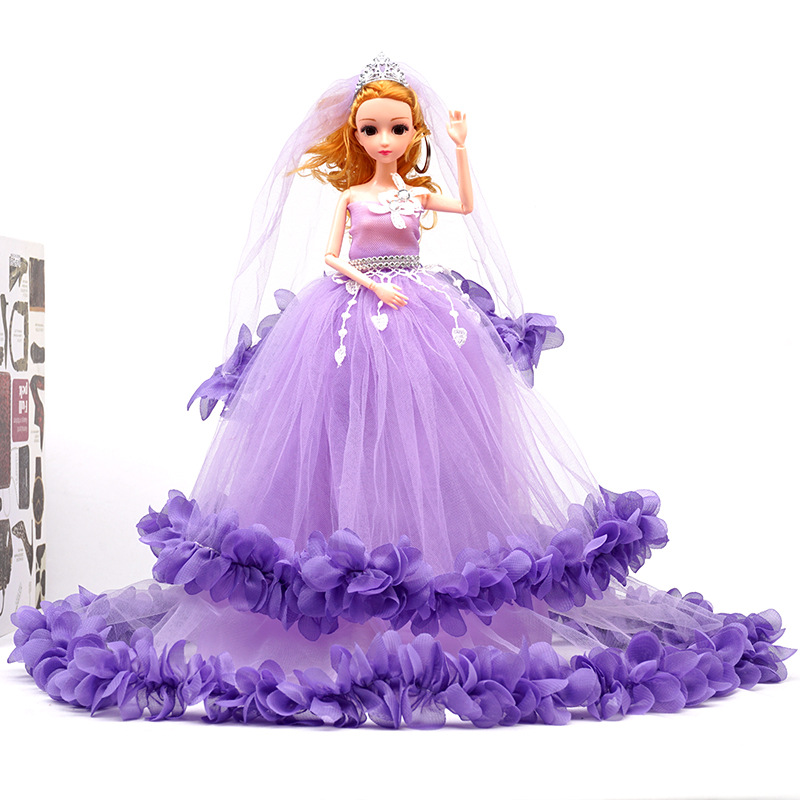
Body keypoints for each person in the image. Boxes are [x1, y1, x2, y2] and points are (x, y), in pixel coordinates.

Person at [8, 55, 792, 728]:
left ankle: (427, 578)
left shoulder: (415, 194)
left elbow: (465, 207)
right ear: (355, 136)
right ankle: (337, 590)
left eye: (397, 129)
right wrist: (369, 285)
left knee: (431, 441)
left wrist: (460, 149)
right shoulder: (352, 198)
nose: (385, 140)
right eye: (372, 130)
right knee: (335, 437)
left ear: (413, 133)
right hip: (350, 315)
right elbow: (331, 257)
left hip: (425, 316)